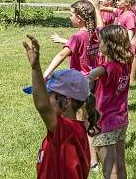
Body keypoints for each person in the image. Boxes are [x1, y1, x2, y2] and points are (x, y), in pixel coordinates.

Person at [88, 8, 136, 179]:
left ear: (109, 45)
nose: (99, 44)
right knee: (121, 165)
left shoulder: (105, 68)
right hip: (121, 120)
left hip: (104, 122)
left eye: (101, 41)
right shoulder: (127, 59)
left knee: (110, 170)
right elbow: (135, 41)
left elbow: (86, 78)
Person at [22, 35, 100, 179]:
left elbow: (42, 106)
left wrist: (35, 67)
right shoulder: (76, 129)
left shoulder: (64, 130)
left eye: (50, 94)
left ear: (67, 102)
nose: (46, 98)